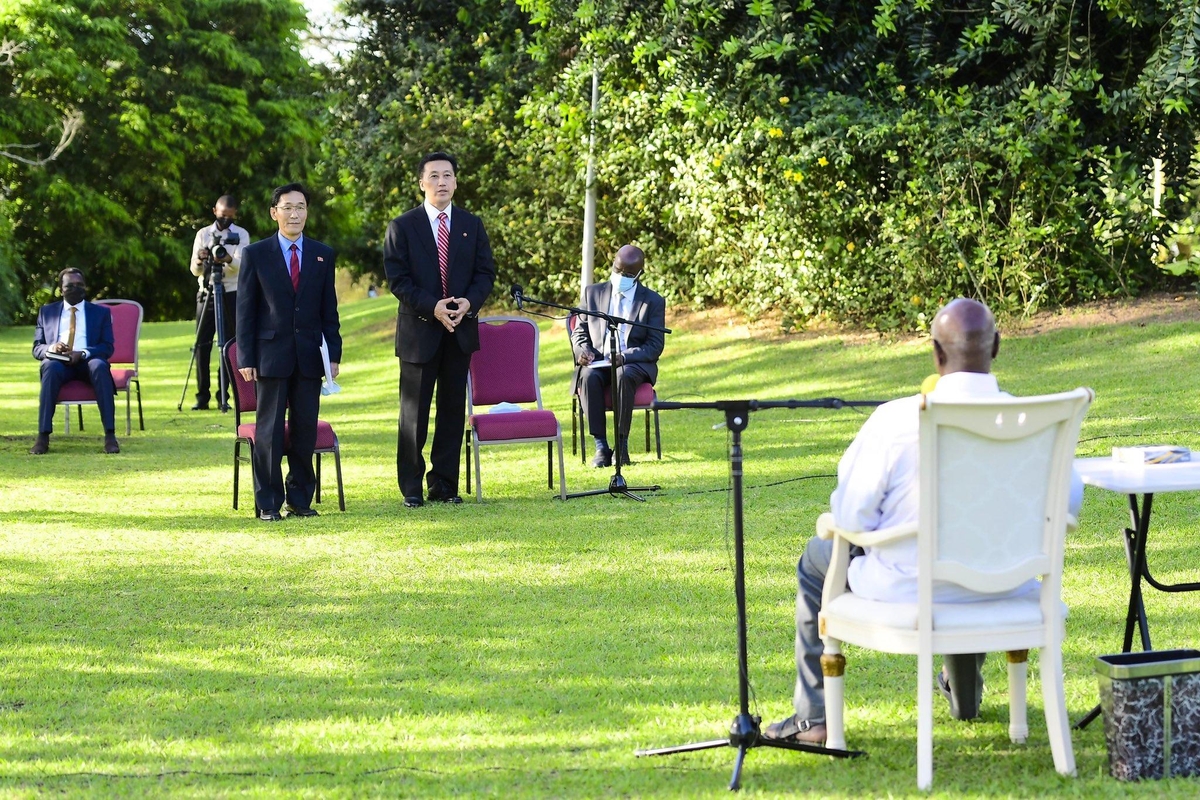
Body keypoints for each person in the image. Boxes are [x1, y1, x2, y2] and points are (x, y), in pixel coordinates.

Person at [764, 297, 1084, 745]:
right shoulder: (1039, 418)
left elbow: (851, 516)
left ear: (936, 353)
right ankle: (965, 694)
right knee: (974, 552)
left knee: (818, 557)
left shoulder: (897, 419)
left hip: (908, 588)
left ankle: (813, 717)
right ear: (996, 347)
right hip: (1007, 586)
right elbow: (1071, 499)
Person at [383, 151, 496, 508]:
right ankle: (412, 487)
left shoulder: (471, 224)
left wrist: (469, 303)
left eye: (447, 175)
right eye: (434, 176)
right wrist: (432, 307)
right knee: (413, 414)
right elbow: (397, 280)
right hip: (420, 331)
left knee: (451, 411)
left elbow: (485, 273)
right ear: (422, 183)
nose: (441, 182)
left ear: (456, 182)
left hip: (459, 331)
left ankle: (444, 484)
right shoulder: (402, 226)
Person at [235, 183, 341, 522]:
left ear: (307, 212)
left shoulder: (322, 254)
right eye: (287, 207)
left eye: (301, 207)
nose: (294, 213)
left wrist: (333, 355)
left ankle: (300, 499)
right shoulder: (256, 254)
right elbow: (246, 311)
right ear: (274, 212)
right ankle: (268, 502)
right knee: (268, 431)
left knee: (304, 429)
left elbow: (330, 311)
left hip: (309, 356)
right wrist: (246, 358)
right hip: (269, 356)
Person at [571, 245, 665, 467]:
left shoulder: (652, 301)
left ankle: (621, 446)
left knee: (623, 374)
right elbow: (580, 332)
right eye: (617, 270)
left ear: (639, 274)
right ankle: (601, 446)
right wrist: (582, 351)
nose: (620, 277)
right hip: (599, 360)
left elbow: (654, 345)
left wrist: (624, 356)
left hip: (632, 363)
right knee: (588, 377)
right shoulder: (592, 293)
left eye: (627, 275)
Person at [30, 268, 120, 455]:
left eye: (79, 285)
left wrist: (84, 352)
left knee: (100, 365)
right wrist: (51, 348)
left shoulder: (100, 313)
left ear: (85, 287)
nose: (75, 289)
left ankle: (110, 435)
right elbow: (37, 348)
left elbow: (107, 347)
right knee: (49, 365)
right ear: (61, 289)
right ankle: (43, 436)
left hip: (88, 362)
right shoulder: (47, 312)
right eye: (69, 286)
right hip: (59, 363)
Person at [189, 195, 249, 410]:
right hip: (207, 293)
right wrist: (200, 258)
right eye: (223, 216)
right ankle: (201, 396)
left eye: (230, 218)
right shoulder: (203, 234)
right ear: (215, 211)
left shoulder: (241, 234)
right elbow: (194, 270)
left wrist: (227, 259)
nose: (226, 221)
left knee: (228, 345)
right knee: (202, 346)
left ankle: (223, 395)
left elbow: (242, 266)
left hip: (231, 293)